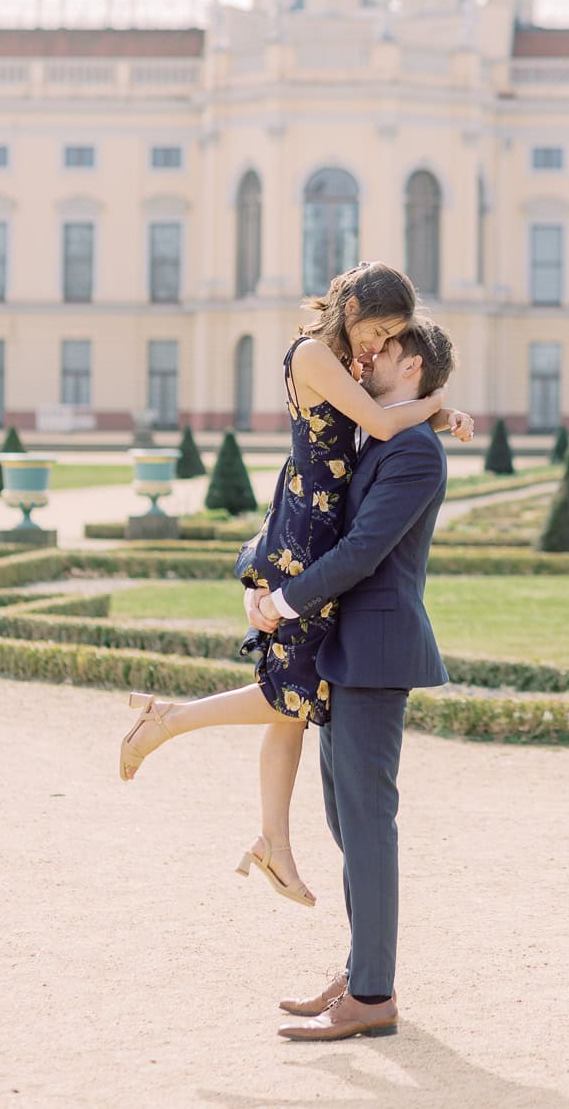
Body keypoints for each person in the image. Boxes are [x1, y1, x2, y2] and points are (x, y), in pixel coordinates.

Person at [116, 263, 472, 910]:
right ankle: (168, 722)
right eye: (379, 330)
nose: (376, 345)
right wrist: (441, 411)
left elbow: (378, 423)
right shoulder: (312, 353)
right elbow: (386, 424)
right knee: (291, 692)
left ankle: (272, 840)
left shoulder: (341, 361)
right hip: (310, 533)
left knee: (297, 699)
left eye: (391, 338)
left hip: (314, 525)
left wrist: (433, 411)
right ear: (354, 306)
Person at [249, 315, 456, 1042]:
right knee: (348, 821)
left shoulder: (416, 454)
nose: (368, 355)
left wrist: (282, 600)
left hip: (375, 652)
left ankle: (372, 993)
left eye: (386, 348)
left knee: (367, 825)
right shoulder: (383, 434)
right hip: (349, 650)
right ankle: (361, 966)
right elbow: (309, 508)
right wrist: (258, 569)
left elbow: (363, 550)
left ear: (414, 366)